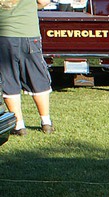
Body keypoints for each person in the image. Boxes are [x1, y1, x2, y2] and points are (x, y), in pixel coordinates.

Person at [0, 0, 54, 136]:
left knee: (9, 79)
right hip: (29, 33)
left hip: (4, 34)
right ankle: (46, 122)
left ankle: (19, 126)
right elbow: (44, 1)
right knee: (37, 77)